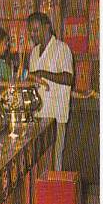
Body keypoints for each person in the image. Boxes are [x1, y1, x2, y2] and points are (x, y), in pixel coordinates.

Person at [26, 12, 73, 171]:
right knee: (39, 160)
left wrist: (43, 73)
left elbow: (68, 78)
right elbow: (33, 78)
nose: (33, 35)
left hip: (55, 114)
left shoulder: (62, 48)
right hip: (37, 114)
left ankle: (56, 193)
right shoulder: (34, 52)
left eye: (36, 30)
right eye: (30, 31)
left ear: (47, 27)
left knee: (55, 156)